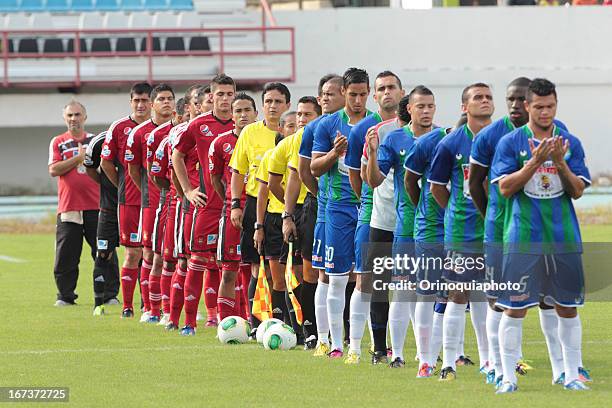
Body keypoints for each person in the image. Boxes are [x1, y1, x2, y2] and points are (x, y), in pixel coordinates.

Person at [492, 79, 591, 393]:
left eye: (550, 106)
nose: (545, 112)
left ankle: (571, 374)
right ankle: (508, 377)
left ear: (556, 105)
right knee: (514, 306)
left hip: (563, 237)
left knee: (566, 306)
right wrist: (534, 162)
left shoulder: (569, 142)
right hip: (523, 236)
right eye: (539, 107)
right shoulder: (510, 143)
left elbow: (577, 191)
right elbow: (505, 189)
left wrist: (560, 163)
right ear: (527, 106)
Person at [366, 86, 436, 369]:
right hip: (405, 227)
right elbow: (374, 181)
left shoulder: (442, 138)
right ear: (409, 109)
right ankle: (396, 354)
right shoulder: (394, 139)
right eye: (421, 106)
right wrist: (371, 154)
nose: (427, 111)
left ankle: (426, 353)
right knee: (403, 290)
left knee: (429, 291)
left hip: (434, 228)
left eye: (430, 106)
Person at [428, 83, 494, 381]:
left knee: (494, 296)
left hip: (495, 229)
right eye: (478, 97)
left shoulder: (503, 139)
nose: (485, 101)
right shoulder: (451, 143)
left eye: (488, 97)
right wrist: (456, 212)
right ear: (464, 107)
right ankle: (449, 363)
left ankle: (491, 361)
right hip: (462, 232)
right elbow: (436, 187)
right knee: (458, 293)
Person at [311, 67, 371, 358]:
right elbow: (313, 168)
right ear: (344, 93)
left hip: (369, 208)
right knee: (334, 277)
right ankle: (333, 343)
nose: (358, 100)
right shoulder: (327, 125)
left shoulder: (375, 124)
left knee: (368, 278)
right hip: (337, 208)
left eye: (363, 94)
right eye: (353, 94)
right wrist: (335, 153)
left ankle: (362, 345)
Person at [344, 71, 404, 365]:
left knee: (411, 284)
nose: (388, 92)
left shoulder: (420, 127)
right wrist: (366, 200)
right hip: (373, 211)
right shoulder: (364, 131)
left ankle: (410, 350)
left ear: (402, 92)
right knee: (370, 281)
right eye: (382, 89)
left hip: (410, 216)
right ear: (375, 95)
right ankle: (364, 346)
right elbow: (358, 176)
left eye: (392, 87)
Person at [173, 74, 236, 335]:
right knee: (197, 261)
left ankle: (233, 323)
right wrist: (187, 190)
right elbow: (177, 155)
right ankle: (189, 322)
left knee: (235, 266)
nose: (224, 99)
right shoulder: (199, 125)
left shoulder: (244, 123)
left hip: (235, 205)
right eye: (219, 94)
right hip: (208, 205)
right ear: (211, 96)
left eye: (229, 94)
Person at [229, 82, 291, 331]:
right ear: (262, 105)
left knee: (287, 267)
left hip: (287, 204)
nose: (272, 106)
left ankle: (289, 320)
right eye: (268, 102)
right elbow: (237, 171)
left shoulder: (293, 131)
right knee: (257, 266)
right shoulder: (250, 133)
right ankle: (257, 322)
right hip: (257, 204)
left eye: (278, 102)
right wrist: (235, 204)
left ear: (287, 104)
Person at [293, 74, 345, 355]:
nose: (325, 98)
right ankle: (319, 335)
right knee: (322, 272)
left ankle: (345, 333)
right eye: (322, 93)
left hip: (355, 207)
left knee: (352, 275)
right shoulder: (314, 129)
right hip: (322, 206)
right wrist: (320, 195)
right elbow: (305, 170)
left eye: (331, 93)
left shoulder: (357, 124)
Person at [269, 96, 322, 348]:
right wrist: (289, 214)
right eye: (298, 114)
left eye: (307, 115)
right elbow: (281, 182)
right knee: (301, 274)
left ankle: (332, 329)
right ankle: (305, 327)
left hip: (327, 207)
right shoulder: (292, 143)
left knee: (333, 274)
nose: (301, 120)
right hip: (302, 212)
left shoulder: (326, 134)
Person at [101, 82, 152, 318]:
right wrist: (122, 185)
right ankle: (128, 306)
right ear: (131, 102)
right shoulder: (119, 127)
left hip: (157, 202)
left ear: (151, 102)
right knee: (133, 254)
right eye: (136, 100)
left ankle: (150, 305)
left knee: (154, 254)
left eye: (145, 100)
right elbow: (105, 163)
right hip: (129, 201)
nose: (141, 105)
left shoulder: (163, 128)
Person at [126, 83, 176, 323]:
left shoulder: (179, 129)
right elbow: (134, 169)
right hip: (152, 203)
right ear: (153, 104)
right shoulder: (142, 133)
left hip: (176, 202)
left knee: (174, 257)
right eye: (162, 99)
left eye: (170, 98)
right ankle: (150, 307)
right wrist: (148, 191)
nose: (166, 102)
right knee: (150, 254)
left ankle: (169, 306)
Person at [210, 93, 259, 324]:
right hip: (233, 211)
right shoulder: (220, 143)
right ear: (231, 115)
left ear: (255, 113)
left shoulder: (267, 139)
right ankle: (227, 323)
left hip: (260, 209)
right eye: (238, 111)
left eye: (247, 110)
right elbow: (217, 178)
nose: (243, 115)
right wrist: (232, 201)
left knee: (256, 269)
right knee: (229, 270)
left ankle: (255, 320)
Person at [48, 100, 100, 306]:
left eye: (77, 114)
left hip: (96, 206)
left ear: (85, 117)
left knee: (103, 252)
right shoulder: (58, 141)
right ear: (64, 118)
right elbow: (53, 170)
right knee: (66, 255)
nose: (73, 119)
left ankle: (109, 294)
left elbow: (105, 168)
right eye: (70, 115)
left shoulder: (96, 141)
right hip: (69, 207)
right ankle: (65, 296)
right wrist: (77, 159)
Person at [253, 111, 296, 325]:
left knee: (298, 278)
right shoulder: (272, 156)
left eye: (298, 125)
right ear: (280, 128)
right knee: (277, 279)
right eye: (289, 125)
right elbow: (263, 192)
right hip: (274, 219)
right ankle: (277, 323)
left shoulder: (306, 155)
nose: (294, 129)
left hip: (300, 218)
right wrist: (259, 225)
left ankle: (298, 325)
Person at [149, 98, 188, 327]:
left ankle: (214, 315)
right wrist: (181, 192)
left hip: (208, 206)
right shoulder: (166, 139)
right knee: (170, 259)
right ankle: (163, 311)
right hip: (175, 204)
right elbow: (157, 174)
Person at [84, 130, 121, 315]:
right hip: (108, 210)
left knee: (141, 255)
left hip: (134, 208)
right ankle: (98, 304)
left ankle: (145, 306)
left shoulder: (145, 135)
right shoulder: (100, 141)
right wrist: (108, 187)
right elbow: (90, 169)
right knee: (103, 254)